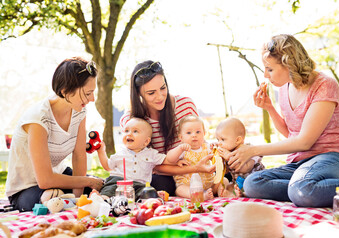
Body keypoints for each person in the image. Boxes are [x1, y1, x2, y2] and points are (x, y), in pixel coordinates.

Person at [227, 34, 339, 207]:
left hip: (334, 157)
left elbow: (304, 142)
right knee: (252, 183)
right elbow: (292, 135)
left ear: (289, 64)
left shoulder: (325, 85)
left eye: (270, 69)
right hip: (301, 164)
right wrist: (269, 108)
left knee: (301, 188)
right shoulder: (284, 88)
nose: (266, 75)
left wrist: (252, 150)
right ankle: (308, 189)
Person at [5, 57, 104, 211]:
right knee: (52, 196)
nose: (92, 99)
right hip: (27, 189)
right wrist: (86, 182)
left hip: (57, 176)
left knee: (102, 188)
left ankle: (71, 200)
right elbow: (44, 181)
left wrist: (79, 199)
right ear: (65, 91)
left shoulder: (79, 110)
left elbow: (79, 156)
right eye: (87, 93)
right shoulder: (38, 119)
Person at [120, 60, 215, 196]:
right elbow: (149, 165)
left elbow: (199, 141)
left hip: (194, 168)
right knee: (159, 184)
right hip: (163, 175)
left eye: (163, 88)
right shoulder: (131, 121)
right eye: (151, 93)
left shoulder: (186, 105)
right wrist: (191, 168)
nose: (160, 96)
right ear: (139, 94)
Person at [96, 117, 190, 200]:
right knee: (109, 190)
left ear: (146, 141)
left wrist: (176, 162)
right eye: (126, 131)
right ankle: (102, 199)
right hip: (117, 182)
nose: (129, 134)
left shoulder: (151, 154)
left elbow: (167, 160)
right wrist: (101, 152)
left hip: (138, 185)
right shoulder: (120, 153)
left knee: (147, 193)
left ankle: (155, 196)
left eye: (135, 131)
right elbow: (107, 167)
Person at [174, 116, 231, 200]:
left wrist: (216, 148)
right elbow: (169, 160)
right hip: (189, 185)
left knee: (224, 180)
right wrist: (176, 161)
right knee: (179, 189)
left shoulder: (207, 147)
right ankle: (200, 196)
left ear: (204, 134)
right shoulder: (181, 150)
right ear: (181, 137)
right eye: (189, 133)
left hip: (209, 184)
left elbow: (215, 156)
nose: (194, 135)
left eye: (198, 132)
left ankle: (220, 192)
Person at [215, 117, 265, 196]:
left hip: (256, 181)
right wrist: (219, 159)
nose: (219, 143)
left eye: (223, 140)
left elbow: (245, 169)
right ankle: (236, 194)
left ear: (237, 140)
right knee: (228, 186)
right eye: (218, 140)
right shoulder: (229, 151)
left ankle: (241, 194)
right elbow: (227, 171)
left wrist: (229, 157)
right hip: (239, 183)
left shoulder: (249, 150)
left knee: (253, 188)